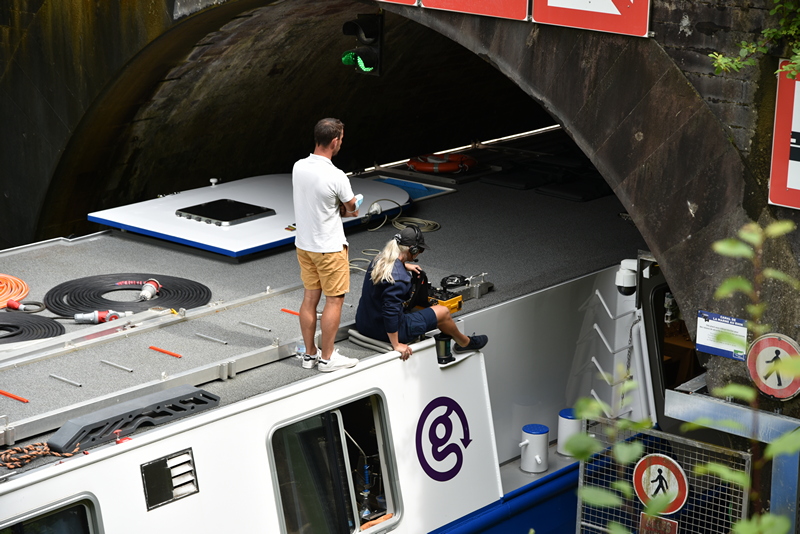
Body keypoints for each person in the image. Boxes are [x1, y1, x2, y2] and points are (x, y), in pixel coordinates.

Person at [355, 225, 488, 360]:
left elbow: (392, 270)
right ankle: (465, 342)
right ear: (412, 249)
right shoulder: (400, 279)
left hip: (364, 324)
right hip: (386, 332)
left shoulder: (378, 260)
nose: (420, 253)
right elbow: (390, 312)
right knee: (443, 312)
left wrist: (404, 265)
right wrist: (396, 344)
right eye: (420, 250)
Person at [292, 118, 360, 372]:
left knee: (310, 298)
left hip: (304, 245)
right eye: (341, 139)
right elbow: (352, 208)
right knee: (334, 301)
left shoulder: (299, 166)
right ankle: (328, 358)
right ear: (334, 142)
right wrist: (349, 206)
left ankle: (310, 354)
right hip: (329, 248)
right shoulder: (336, 175)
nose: (341, 143)